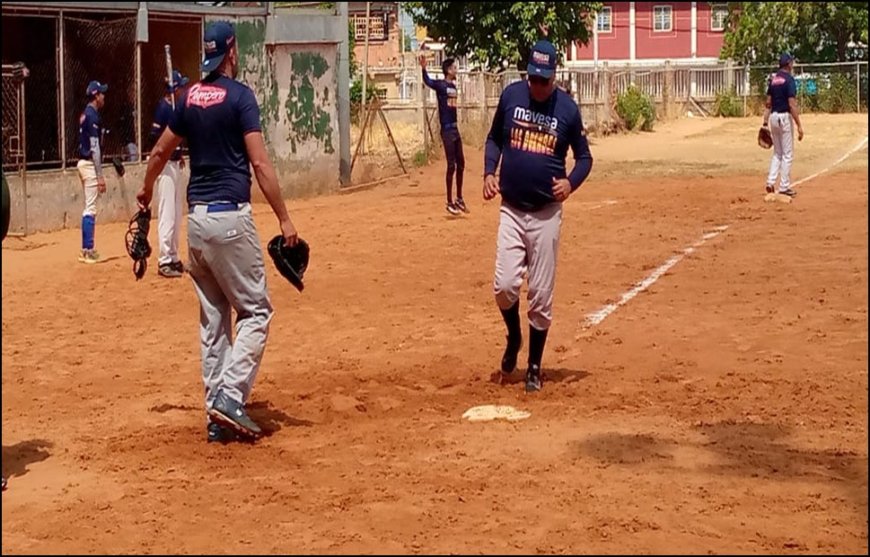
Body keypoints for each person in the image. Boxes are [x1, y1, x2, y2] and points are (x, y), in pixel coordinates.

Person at [137, 21, 300, 442]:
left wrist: (145, 192)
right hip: (231, 220)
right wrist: (283, 217)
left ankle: (216, 412)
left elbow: (159, 151)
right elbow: (259, 163)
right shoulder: (241, 97)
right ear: (231, 53)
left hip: (197, 225)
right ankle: (230, 395)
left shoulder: (188, 97)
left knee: (214, 321)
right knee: (256, 312)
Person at [483, 40, 593, 393]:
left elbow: (585, 158)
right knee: (504, 288)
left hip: (546, 214)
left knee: (541, 296)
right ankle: (514, 336)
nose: (537, 86)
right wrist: (489, 172)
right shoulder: (511, 97)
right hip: (512, 209)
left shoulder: (567, 110)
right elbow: (493, 139)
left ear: (554, 76)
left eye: (544, 80)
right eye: (533, 78)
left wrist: (571, 182)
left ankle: (533, 365)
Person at [150, 69, 190, 278]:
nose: (184, 89)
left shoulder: (176, 108)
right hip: (165, 166)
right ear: (174, 89)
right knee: (167, 212)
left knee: (176, 212)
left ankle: (173, 256)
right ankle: (164, 259)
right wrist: (168, 154)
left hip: (174, 164)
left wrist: (178, 152)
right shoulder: (163, 108)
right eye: (181, 86)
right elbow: (156, 139)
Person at [420, 55, 468, 215]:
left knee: (461, 163)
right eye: (454, 68)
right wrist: (424, 68)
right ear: (448, 70)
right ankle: (449, 202)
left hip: (455, 129)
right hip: (446, 130)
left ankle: (459, 198)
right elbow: (428, 81)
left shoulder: (453, 86)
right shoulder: (441, 85)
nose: (456, 70)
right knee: (451, 165)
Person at [763, 52, 804, 197]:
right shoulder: (789, 80)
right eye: (791, 62)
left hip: (773, 117)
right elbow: (791, 104)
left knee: (777, 153)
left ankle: (770, 182)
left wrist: (765, 122)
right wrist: (799, 125)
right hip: (784, 118)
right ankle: (784, 187)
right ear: (788, 64)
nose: (792, 65)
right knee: (787, 154)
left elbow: (768, 103)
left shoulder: (773, 80)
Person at [76, 80, 108, 264]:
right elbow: (95, 148)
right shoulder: (92, 116)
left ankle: (86, 249)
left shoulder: (85, 114)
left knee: (88, 207)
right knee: (90, 208)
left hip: (83, 162)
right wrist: (100, 175)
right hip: (89, 164)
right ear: (96, 96)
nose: (104, 97)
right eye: (102, 94)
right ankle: (88, 250)